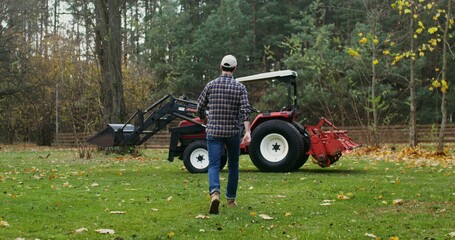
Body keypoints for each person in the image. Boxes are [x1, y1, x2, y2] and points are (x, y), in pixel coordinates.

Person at [197, 54, 251, 214]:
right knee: (233, 166)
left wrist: (204, 118)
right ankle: (231, 199)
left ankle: (215, 193)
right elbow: (245, 111)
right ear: (234, 69)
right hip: (233, 132)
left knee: (213, 165)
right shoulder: (240, 87)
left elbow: (200, 106)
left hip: (213, 131)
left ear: (221, 67)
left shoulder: (211, 85)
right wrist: (248, 131)